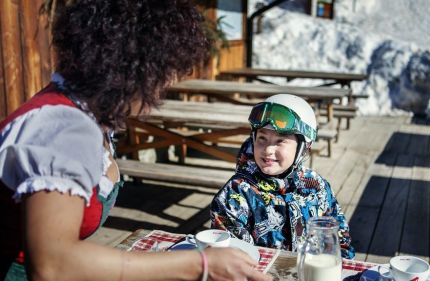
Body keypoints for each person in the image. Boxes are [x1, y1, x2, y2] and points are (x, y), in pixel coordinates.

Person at [0, 1, 272, 280]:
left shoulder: (84, 111)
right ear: (130, 69)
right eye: (161, 78)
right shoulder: (64, 130)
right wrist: (200, 264)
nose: (161, 93)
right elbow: (53, 266)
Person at [210, 94, 355, 259]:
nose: (268, 150)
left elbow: (340, 243)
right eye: (262, 138)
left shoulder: (317, 187)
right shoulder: (236, 193)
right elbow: (231, 258)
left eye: (280, 141)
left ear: (303, 147)